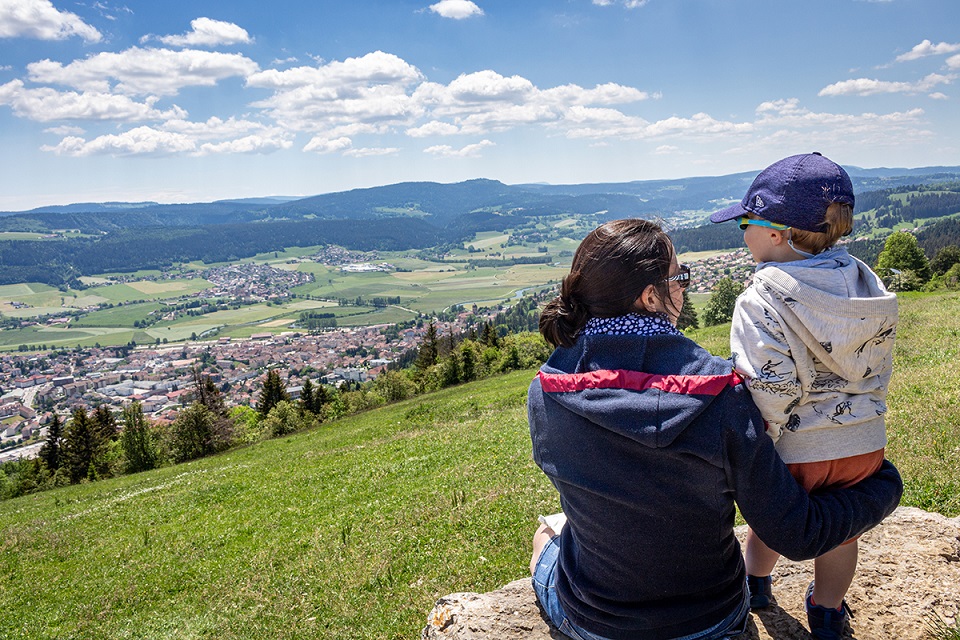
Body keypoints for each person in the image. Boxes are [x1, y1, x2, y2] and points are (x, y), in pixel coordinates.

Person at [527, 218, 902, 640]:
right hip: (711, 621)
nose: (684, 286)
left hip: (595, 623)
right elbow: (796, 534)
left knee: (547, 533)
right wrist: (884, 486)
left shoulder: (544, 392)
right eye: (679, 277)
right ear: (651, 297)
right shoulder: (722, 395)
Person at [709, 152, 899, 639]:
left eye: (744, 223)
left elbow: (769, 386)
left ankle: (756, 586)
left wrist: (758, 445)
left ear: (775, 232)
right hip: (863, 444)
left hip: (795, 448)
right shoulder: (865, 282)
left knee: (774, 520)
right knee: (840, 532)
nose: (742, 233)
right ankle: (829, 613)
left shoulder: (762, 296)